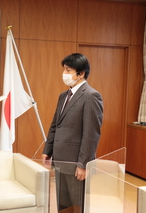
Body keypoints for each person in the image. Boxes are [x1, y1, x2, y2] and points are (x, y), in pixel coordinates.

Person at [41, 53, 103, 213]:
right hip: (60, 160)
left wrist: (83, 164)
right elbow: (55, 125)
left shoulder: (91, 96)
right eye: (64, 70)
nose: (65, 74)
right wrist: (47, 151)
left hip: (76, 162)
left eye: (68, 70)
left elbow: (91, 134)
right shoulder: (63, 96)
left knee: (78, 204)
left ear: (81, 73)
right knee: (63, 205)